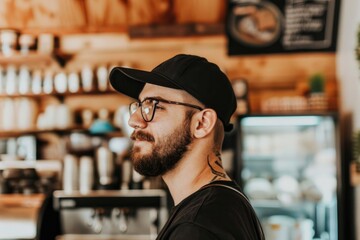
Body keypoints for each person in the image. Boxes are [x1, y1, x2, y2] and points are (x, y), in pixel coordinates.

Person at [109, 54, 264, 240]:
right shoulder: (226, 204)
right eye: (140, 106)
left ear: (202, 123)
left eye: (154, 106)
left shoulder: (197, 226)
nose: (133, 120)